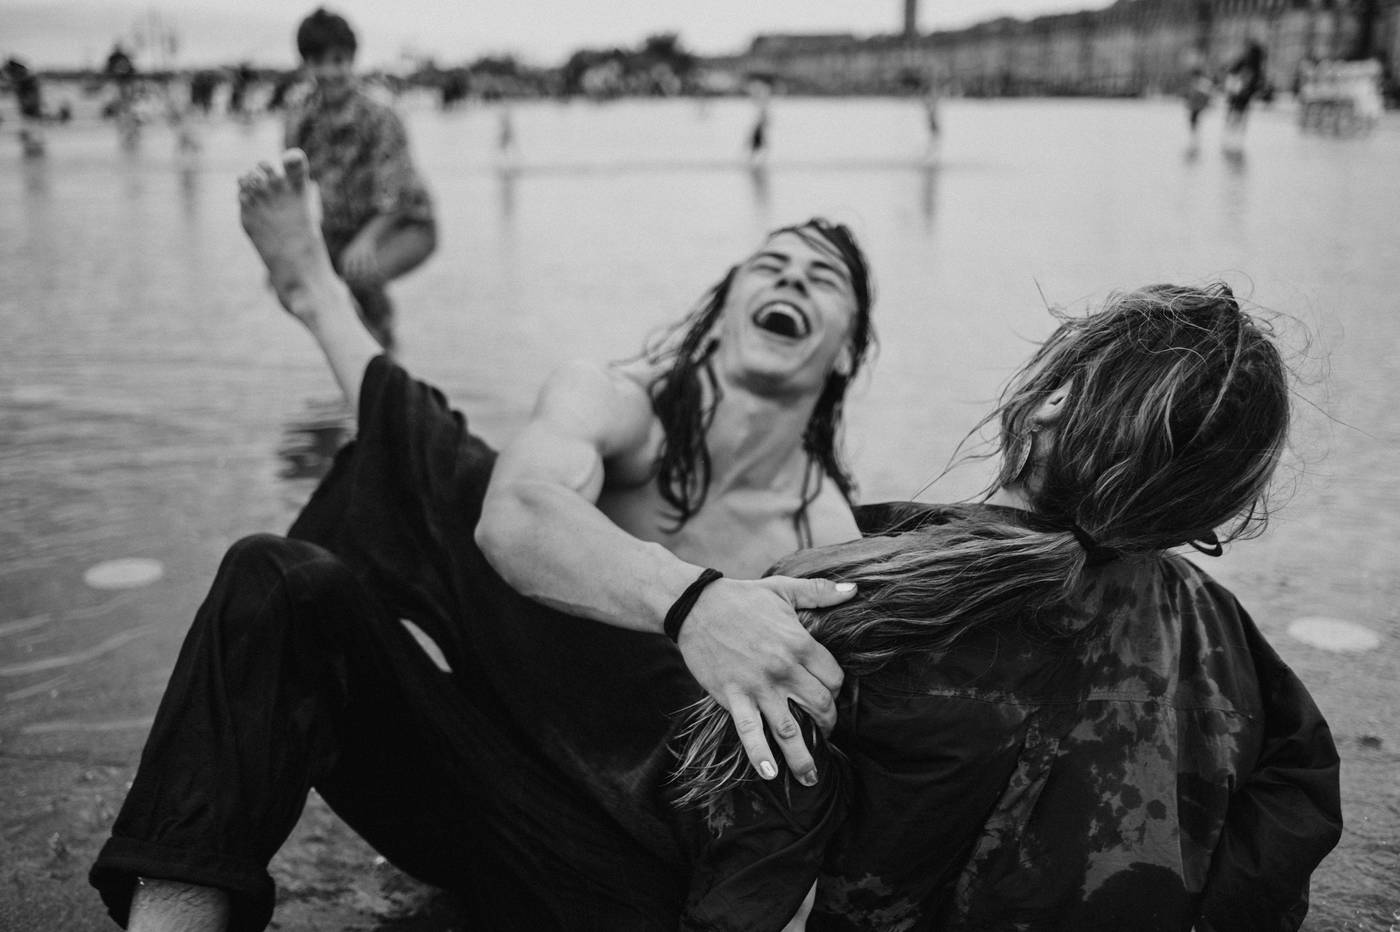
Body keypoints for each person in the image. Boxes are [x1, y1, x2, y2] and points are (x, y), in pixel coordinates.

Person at [89, 148, 875, 931]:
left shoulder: (832, 540)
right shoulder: (617, 404)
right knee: (279, 577)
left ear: (843, 349)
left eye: (823, 277)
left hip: (624, 875)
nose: (792, 279)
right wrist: (696, 605)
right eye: (769, 264)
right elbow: (513, 518)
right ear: (724, 307)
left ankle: (325, 305)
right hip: (466, 788)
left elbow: (828, 779)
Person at [675, 283, 1343, 929]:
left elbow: (745, 880)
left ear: (1054, 398)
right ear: (1204, 502)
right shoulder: (1214, 622)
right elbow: (1295, 790)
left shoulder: (848, 600)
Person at [283, 8, 437, 353]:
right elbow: (293, 187)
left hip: (405, 225)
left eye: (338, 61)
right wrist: (287, 250)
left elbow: (395, 195)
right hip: (339, 230)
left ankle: (385, 343)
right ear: (306, 65)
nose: (329, 72)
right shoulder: (302, 119)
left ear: (351, 60)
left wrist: (367, 240)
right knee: (289, 283)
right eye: (318, 62)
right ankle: (359, 345)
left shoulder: (380, 116)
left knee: (360, 273)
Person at [1223, 40, 1267, 152]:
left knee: (1233, 113)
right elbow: (1259, 82)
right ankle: (1236, 137)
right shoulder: (1257, 65)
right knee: (1241, 114)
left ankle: (1230, 135)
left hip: (1238, 92)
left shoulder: (1244, 61)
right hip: (1245, 94)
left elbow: (1231, 71)